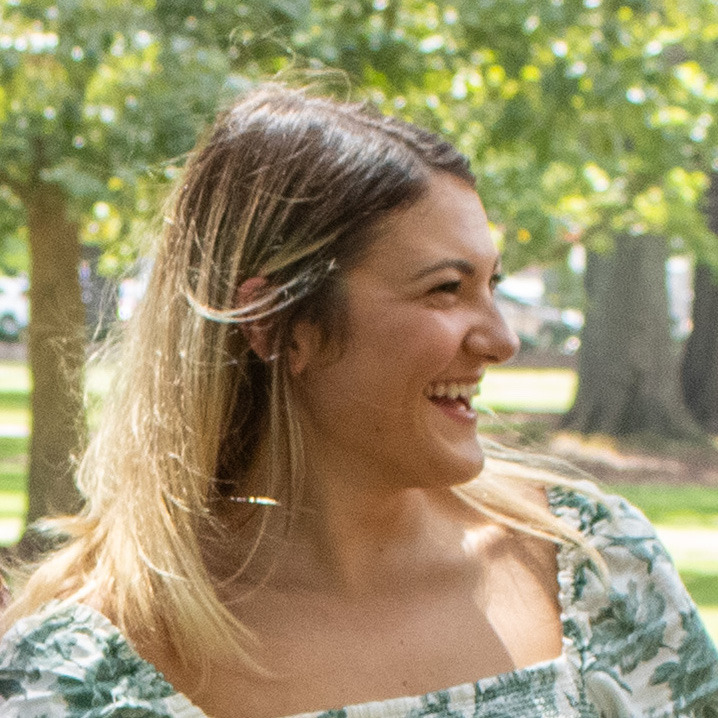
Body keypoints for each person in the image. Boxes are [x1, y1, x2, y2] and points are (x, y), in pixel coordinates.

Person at [1, 83, 716, 718]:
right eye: (445, 288)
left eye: (492, 284)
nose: (501, 340)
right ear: (279, 324)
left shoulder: (595, 573)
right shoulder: (93, 672)